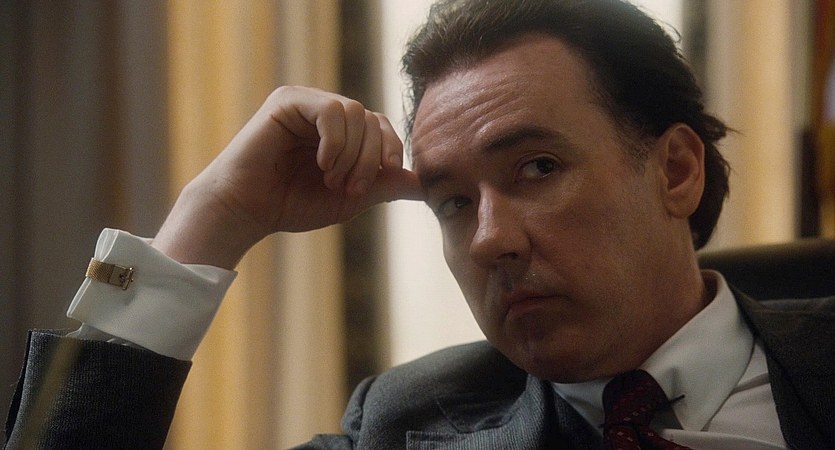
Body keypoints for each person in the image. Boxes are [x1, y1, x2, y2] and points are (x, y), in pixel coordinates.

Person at [5, 0, 834, 448]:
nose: (489, 239)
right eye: (451, 202)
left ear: (675, 169)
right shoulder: (404, 424)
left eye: (537, 168)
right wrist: (213, 216)